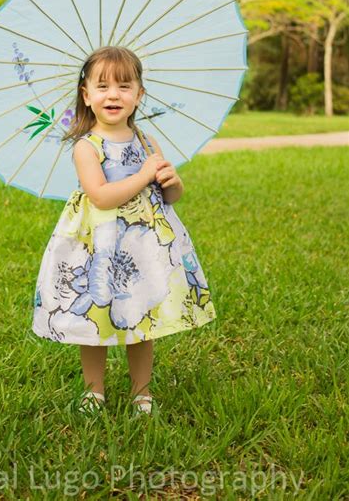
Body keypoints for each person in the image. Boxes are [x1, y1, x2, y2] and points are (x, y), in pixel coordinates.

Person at [32, 45, 216, 416]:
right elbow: (100, 196)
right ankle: (94, 391)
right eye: (102, 86)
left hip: (142, 246)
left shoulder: (147, 141)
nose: (113, 94)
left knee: (141, 318)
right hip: (99, 245)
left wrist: (170, 180)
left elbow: (170, 196)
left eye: (124, 86)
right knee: (95, 320)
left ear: (139, 95)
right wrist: (143, 174)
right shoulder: (87, 146)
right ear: (86, 95)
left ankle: (142, 393)